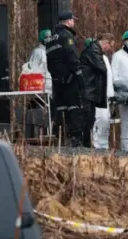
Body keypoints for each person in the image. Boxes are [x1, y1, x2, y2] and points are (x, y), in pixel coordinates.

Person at [46, 11, 85, 147]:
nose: (73, 23)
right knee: (74, 107)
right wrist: (79, 75)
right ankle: (75, 138)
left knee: (60, 109)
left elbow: (49, 61)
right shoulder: (66, 36)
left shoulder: (50, 39)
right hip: (70, 79)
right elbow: (72, 56)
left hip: (56, 80)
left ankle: (60, 137)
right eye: (72, 20)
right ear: (68, 21)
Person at [79, 33, 115, 147]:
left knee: (100, 120)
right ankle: (90, 144)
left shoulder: (99, 55)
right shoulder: (94, 53)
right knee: (91, 119)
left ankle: (99, 144)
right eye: (110, 46)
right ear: (106, 43)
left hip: (98, 92)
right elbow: (102, 70)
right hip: (91, 91)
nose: (110, 49)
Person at [92, 53, 115, 149]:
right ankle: (96, 144)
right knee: (97, 120)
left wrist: (111, 94)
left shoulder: (104, 58)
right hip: (95, 95)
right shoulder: (90, 59)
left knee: (105, 120)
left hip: (105, 96)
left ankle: (104, 145)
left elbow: (109, 79)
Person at [29, 29, 52, 94]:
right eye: (47, 37)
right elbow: (32, 68)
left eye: (50, 37)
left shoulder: (50, 52)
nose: (49, 39)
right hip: (41, 86)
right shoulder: (37, 51)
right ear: (42, 38)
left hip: (50, 85)